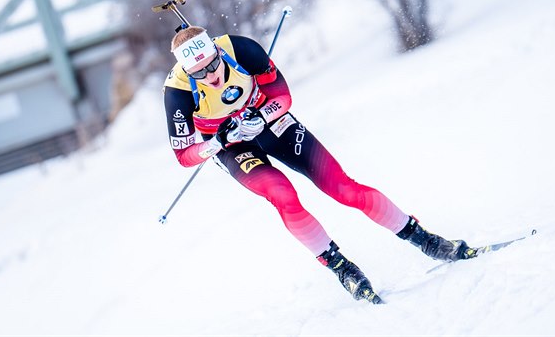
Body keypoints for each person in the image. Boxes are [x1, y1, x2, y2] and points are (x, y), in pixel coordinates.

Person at [162, 26, 477, 304]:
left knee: (342, 188)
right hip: (232, 146)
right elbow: (185, 156)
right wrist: (218, 141)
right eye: (200, 73)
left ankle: (426, 241)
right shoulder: (177, 92)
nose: (213, 76)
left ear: (217, 50)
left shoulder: (240, 48)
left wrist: (261, 117)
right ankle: (342, 268)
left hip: (272, 122)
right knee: (282, 195)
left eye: (214, 64)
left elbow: (282, 96)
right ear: (188, 73)